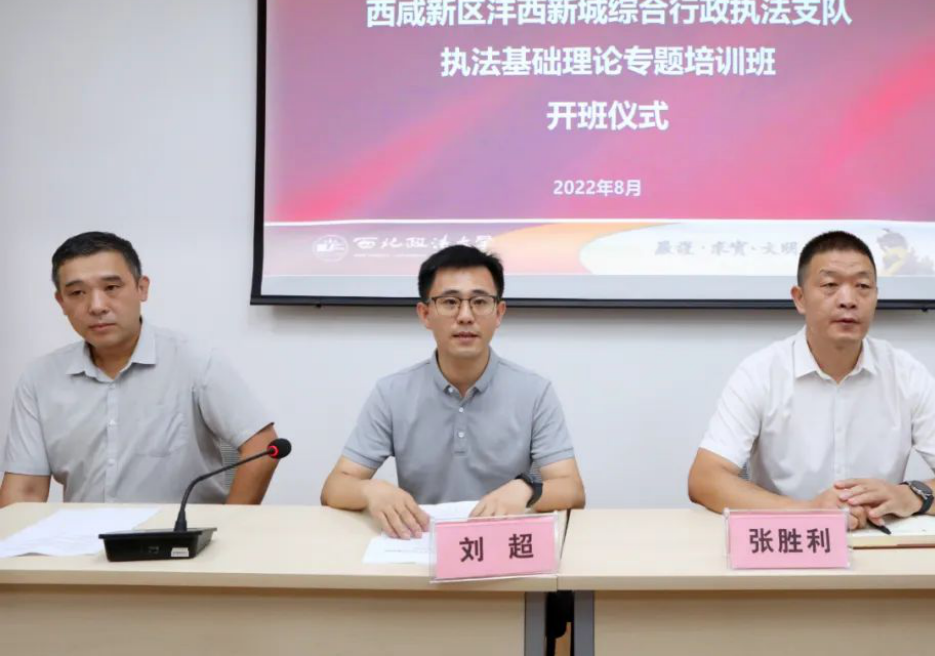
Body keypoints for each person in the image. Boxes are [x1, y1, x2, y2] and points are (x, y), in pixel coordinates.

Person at [688, 231, 935, 528]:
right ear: (800, 299)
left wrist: (909, 496)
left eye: (863, 286)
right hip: (789, 541)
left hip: (880, 542)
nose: (848, 300)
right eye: (830, 285)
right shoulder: (761, 372)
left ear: (876, 297)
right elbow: (705, 478)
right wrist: (807, 512)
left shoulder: (905, 374)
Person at [322, 244, 585, 538]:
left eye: (480, 302)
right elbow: (334, 488)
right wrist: (372, 490)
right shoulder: (392, 392)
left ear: (499, 313)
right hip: (424, 544)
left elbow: (572, 489)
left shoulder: (534, 391)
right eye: (450, 302)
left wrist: (527, 489)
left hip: (503, 546)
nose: (465, 316)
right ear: (425, 314)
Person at [0, 232, 279, 507]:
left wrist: (229, 525)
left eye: (111, 287)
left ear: (142, 288)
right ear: (61, 302)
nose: (96, 306)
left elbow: (263, 446)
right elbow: (24, 491)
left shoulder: (196, 361)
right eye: (77, 293)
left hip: (182, 532)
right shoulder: (40, 379)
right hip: (83, 535)